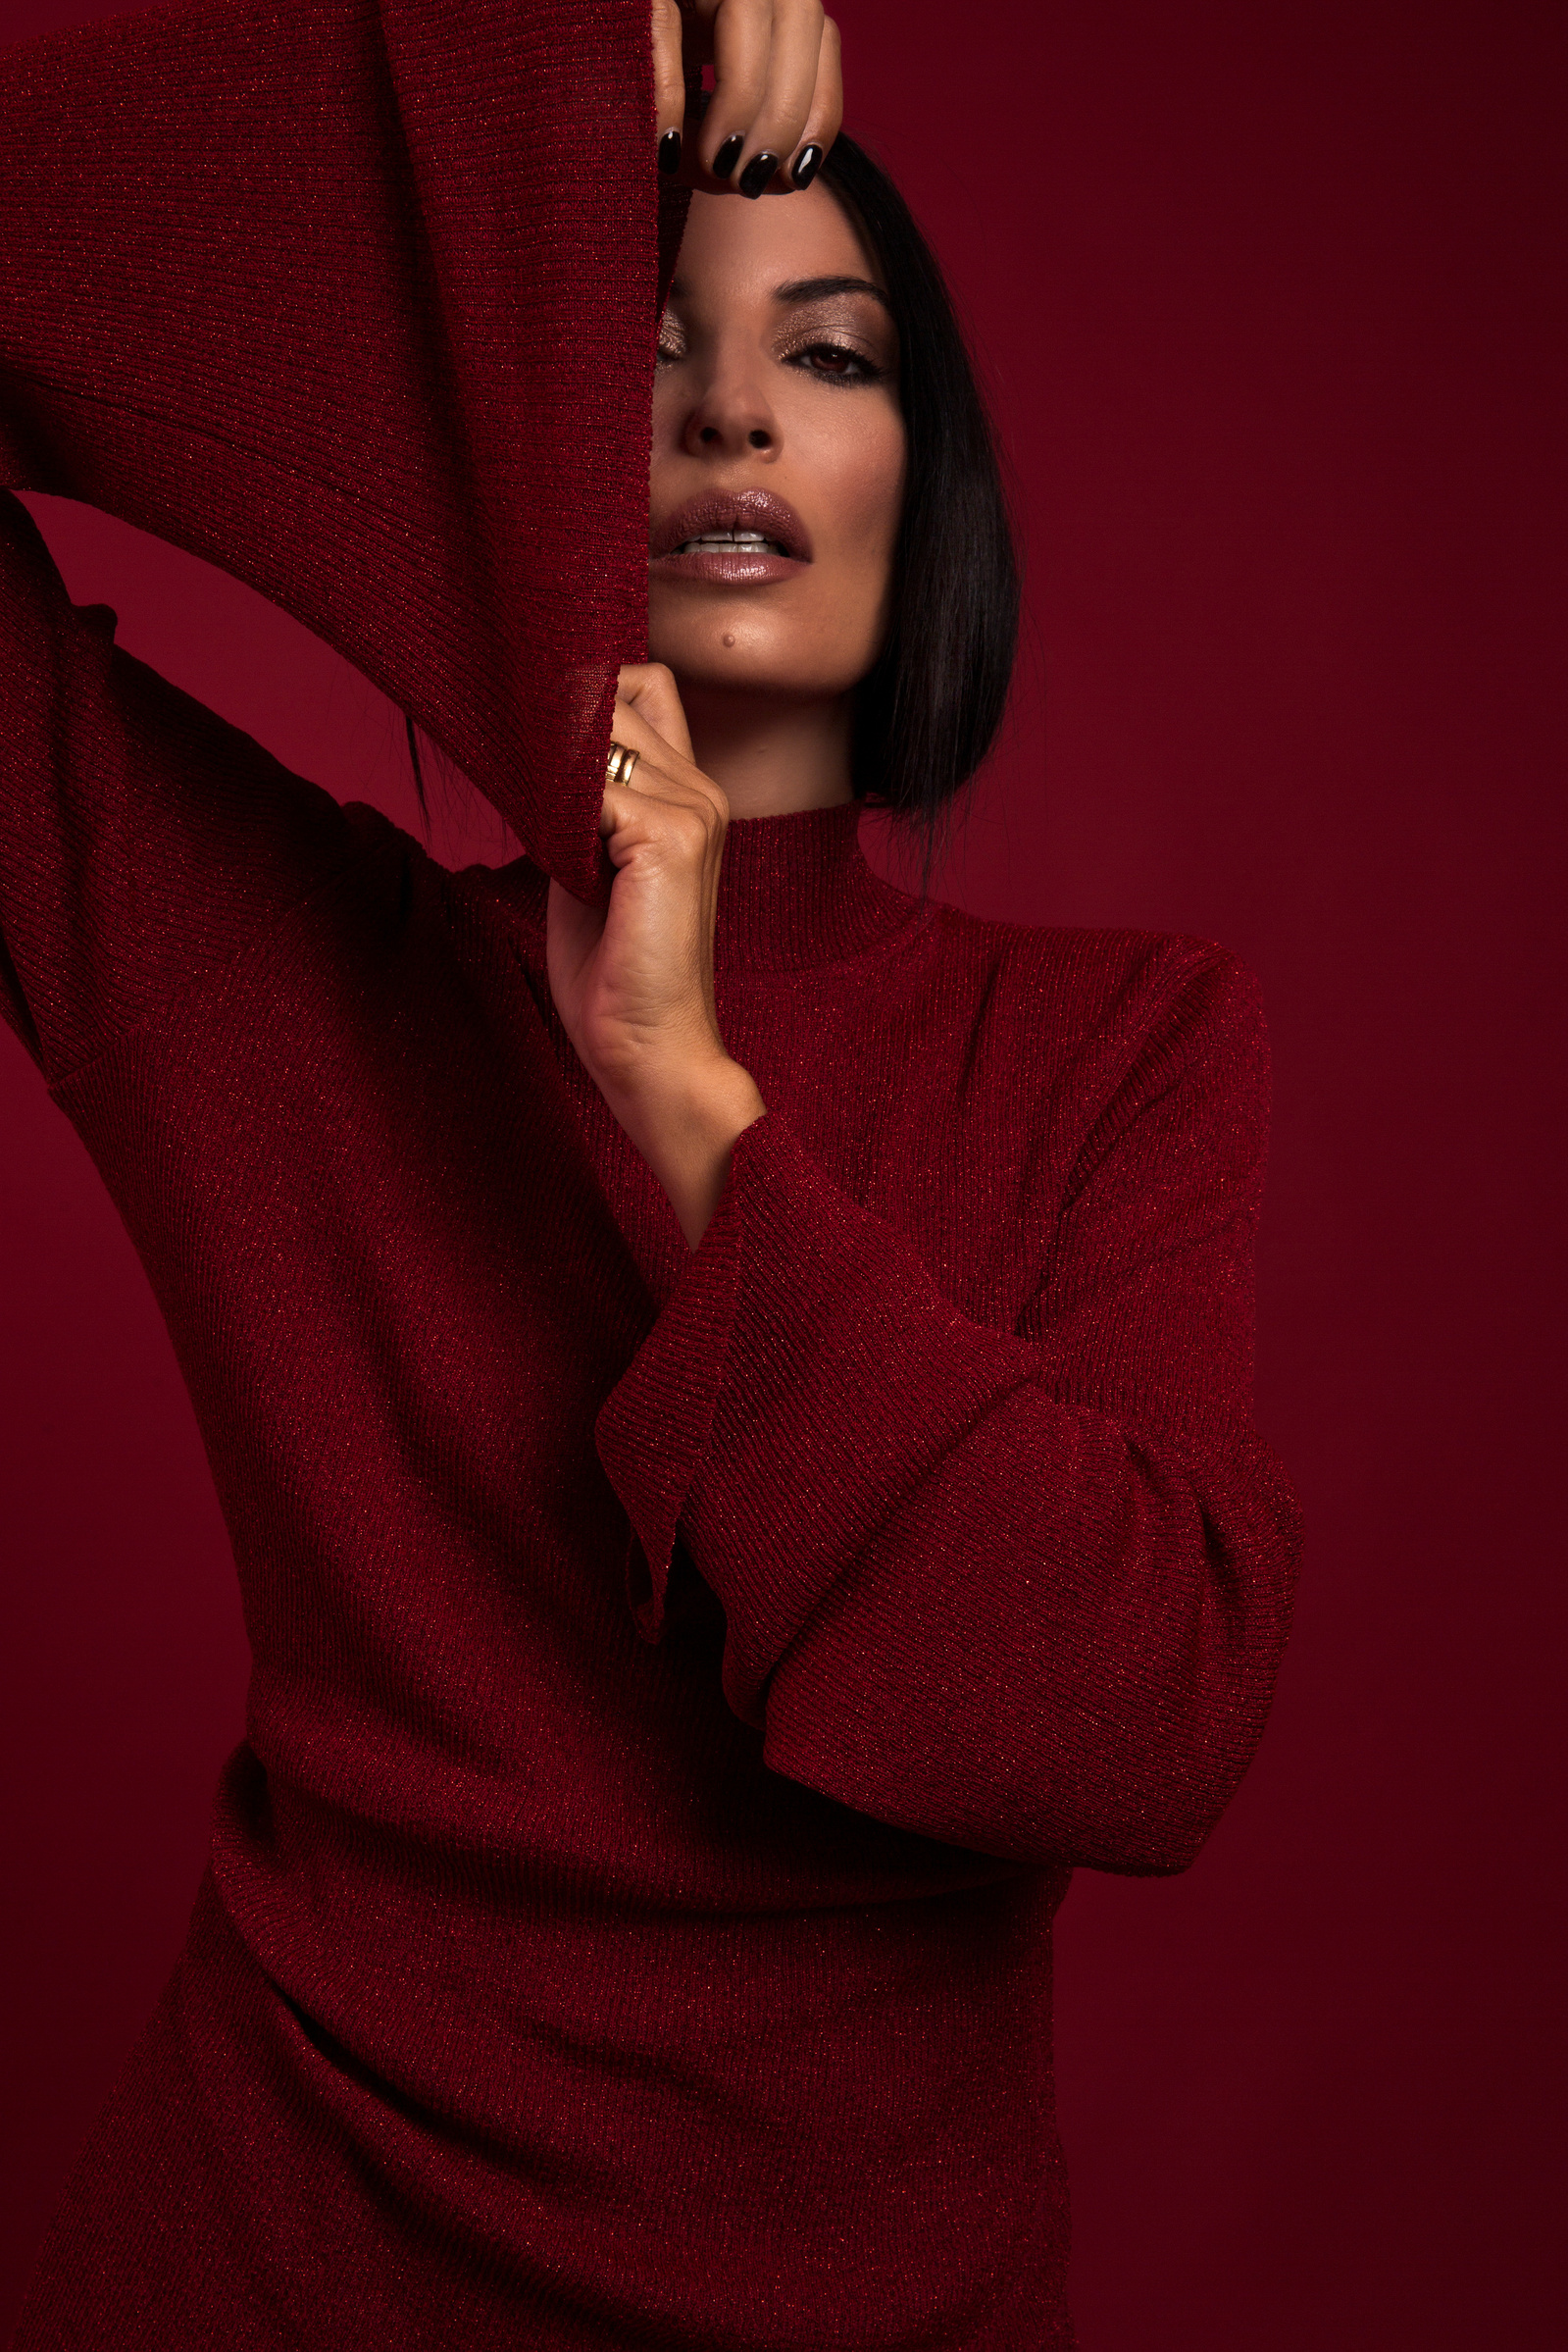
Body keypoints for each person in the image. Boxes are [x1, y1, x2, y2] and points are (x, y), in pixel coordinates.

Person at [0, 0, 1301, 2342]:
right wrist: (511, 53)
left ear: (932, 481)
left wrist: (689, 1099)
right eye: (629, 338)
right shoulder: (295, 993)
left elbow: (1143, 1710)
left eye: (822, 350)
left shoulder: (1119, 1042)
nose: (720, 405)